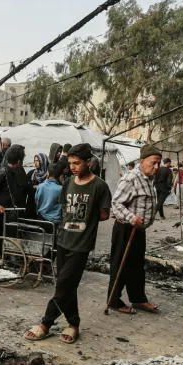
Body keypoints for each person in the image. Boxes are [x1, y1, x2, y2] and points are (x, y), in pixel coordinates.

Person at [24, 143, 112, 344]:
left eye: (77, 163)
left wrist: (88, 217)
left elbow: (105, 214)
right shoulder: (68, 183)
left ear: (88, 162)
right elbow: (64, 209)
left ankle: (45, 323)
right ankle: (73, 324)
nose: (72, 167)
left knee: (65, 283)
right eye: (71, 163)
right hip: (63, 240)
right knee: (66, 285)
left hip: (81, 244)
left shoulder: (99, 186)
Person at [107, 144, 162, 314]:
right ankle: (114, 302)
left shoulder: (149, 179)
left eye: (158, 163)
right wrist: (132, 217)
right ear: (142, 161)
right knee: (120, 266)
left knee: (137, 266)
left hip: (138, 230)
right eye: (153, 163)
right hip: (125, 229)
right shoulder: (131, 178)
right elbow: (115, 203)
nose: (157, 167)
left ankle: (138, 299)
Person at [26, 152, 50, 219]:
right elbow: (26, 187)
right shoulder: (31, 173)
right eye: (35, 161)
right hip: (32, 203)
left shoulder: (49, 174)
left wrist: (37, 187)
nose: (35, 163)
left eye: (38, 160)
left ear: (43, 161)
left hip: (44, 204)